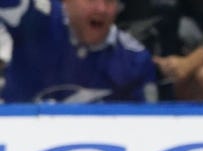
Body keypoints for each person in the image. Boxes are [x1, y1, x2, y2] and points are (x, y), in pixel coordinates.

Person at [0, 0, 156, 103]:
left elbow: (150, 125)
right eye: (91, 0)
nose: (101, 8)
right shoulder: (37, 18)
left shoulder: (135, 60)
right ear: (66, 2)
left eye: (109, 1)